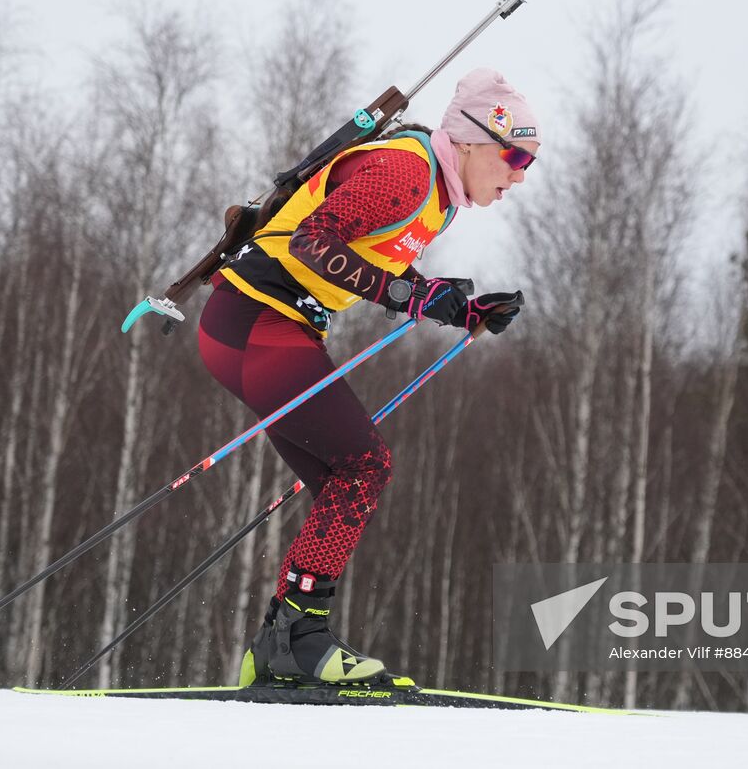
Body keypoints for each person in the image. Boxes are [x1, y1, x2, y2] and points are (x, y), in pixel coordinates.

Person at [197, 67, 541, 686]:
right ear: (470, 140)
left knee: (344, 480)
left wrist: (462, 308)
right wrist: (415, 295)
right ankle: (299, 640)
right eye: (514, 156)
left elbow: (375, 268)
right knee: (364, 466)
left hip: (264, 327)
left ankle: (280, 642)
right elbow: (312, 243)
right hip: (257, 319)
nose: (519, 174)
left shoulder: (439, 197)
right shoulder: (408, 172)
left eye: (530, 163)